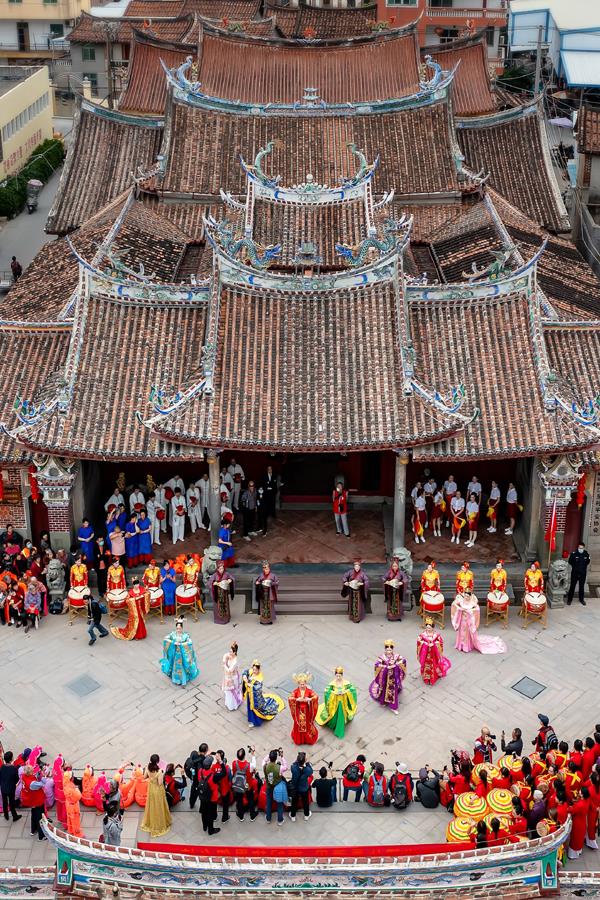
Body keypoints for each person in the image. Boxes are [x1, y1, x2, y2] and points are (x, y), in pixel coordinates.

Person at [451, 590, 506, 654]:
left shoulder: (472, 603)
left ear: (470, 596)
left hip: (468, 621)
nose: (466, 597)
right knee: (461, 633)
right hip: (462, 620)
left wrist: (470, 611)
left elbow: (477, 609)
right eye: (465, 596)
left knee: (467, 634)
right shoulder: (461, 601)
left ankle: (467, 646)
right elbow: (454, 604)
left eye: (468, 596)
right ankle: (460, 645)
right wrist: (459, 609)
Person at [316, 666, 357, 739]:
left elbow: (352, 689)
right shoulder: (332, 684)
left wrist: (345, 692)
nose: (338, 677)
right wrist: (334, 693)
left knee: (341, 714)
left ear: (342, 675)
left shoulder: (346, 683)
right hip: (334, 703)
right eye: (337, 676)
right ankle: (334, 724)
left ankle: (339, 730)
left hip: (343, 702)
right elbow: (327, 691)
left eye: (339, 676)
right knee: (334, 714)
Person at [241, 660, 284, 727]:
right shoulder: (251, 672)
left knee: (255, 708)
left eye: (255, 670)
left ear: (258, 670)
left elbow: (257, 688)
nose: (254, 671)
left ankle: (254, 721)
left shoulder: (259, 678)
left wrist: (250, 685)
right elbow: (246, 672)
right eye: (253, 669)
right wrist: (244, 676)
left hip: (255, 697)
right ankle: (250, 716)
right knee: (250, 706)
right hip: (250, 694)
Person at [368, 640, 406, 715]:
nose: (389, 652)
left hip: (393, 677)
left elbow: (403, 661)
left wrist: (396, 665)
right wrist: (386, 667)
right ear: (385, 650)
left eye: (390, 650)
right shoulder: (382, 658)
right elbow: (377, 665)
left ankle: (393, 707)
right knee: (384, 689)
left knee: (393, 692)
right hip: (385, 677)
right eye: (387, 650)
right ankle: (383, 701)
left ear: (392, 650)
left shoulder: (396, 656)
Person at [160, 616, 199, 686]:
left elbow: (190, 642)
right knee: (175, 666)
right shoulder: (173, 634)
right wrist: (173, 642)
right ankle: (176, 679)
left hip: (183, 654)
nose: (178, 630)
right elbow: (165, 639)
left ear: (182, 628)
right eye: (177, 628)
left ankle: (183, 681)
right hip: (175, 654)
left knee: (183, 667)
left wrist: (182, 644)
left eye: (179, 628)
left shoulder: (185, 636)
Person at [140, 755, 172, 838]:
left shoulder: (148, 767)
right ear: (158, 762)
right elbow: (160, 783)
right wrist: (163, 773)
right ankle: (159, 824)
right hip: (157, 790)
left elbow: (144, 777)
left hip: (151, 788)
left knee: (151, 805)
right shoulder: (159, 771)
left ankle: (150, 822)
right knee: (158, 806)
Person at [110, 577, 149, 641]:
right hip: (134, 610)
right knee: (136, 621)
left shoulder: (141, 589)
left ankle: (142, 634)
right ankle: (136, 635)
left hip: (139, 608)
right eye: (136, 584)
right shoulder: (130, 592)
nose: (137, 585)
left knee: (141, 620)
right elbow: (127, 600)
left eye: (138, 584)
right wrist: (135, 599)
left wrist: (143, 595)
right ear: (133, 585)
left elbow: (147, 593)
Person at [417, 618, 451, 685]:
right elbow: (419, 642)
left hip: (433, 654)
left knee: (434, 664)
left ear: (432, 628)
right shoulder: (423, 635)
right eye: (427, 628)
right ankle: (427, 678)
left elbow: (440, 643)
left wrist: (434, 644)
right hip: (426, 654)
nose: (428, 629)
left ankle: (432, 678)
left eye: (429, 628)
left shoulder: (436, 635)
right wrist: (425, 644)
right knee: (426, 665)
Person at [288, 672, 319, 745]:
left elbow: (316, 696)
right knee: (298, 724)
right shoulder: (296, 691)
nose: (302, 686)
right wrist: (296, 699)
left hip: (306, 710)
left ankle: (307, 739)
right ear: (298, 684)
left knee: (307, 724)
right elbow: (290, 698)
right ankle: (299, 739)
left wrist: (310, 699)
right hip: (298, 710)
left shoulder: (309, 691)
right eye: (301, 684)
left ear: (306, 683)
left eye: (303, 684)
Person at [20, 765, 46, 840]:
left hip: (30, 800)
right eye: (32, 771)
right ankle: (41, 836)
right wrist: (44, 776)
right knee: (39, 818)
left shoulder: (24, 776)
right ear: (30, 773)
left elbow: (34, 777)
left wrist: (38, 773)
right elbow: (43, 784)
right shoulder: (32, 784)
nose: (34, 772)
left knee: (33, 815)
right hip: (37, 801)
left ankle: (33, 830)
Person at [231, 747, 257, 821]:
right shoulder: (250, 765)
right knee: (250, 799)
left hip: (238, 785)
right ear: (245, 756)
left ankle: (241, 815)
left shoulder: (234, 763)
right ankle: (252, 815)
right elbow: (254, 765)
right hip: (247, 786)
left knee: (239, 800)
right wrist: (253, 754)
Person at [263, 749, 287, 826]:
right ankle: (280, 820)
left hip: (269, 786)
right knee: (279, 804)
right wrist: (282, 756)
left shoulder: (265, 766)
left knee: (269, 802)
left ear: (269, 758)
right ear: (276, 758)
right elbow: (286, 767)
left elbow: (264, 760)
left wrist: (270, 753)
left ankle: (268, 818)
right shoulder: (279, 767)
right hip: (278, 787)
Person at [341, 559, 369, 623]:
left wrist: (362, 583)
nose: (357, 568)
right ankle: (352, 616)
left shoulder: (362, 574)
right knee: (352, 603)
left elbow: (367, 580)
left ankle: (358, 617)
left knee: (358, 604)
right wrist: (345, 581)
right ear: (354, 567)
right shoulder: (350, 572)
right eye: (356, 566)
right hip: (352, 591)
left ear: (360, 567)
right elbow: (344, 576)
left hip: (359, 591)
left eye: (358, 566)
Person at [289, 752, 313, 821]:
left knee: (294, 802)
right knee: (305, 802)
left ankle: (293, 816)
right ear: (304, 760)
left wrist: (298, 760)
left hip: (295, 787)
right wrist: (307, 763)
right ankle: (306, 815)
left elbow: (294, 764)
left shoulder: (293, 767)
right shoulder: (307, 770)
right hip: (304, 788)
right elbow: (311, 771)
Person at [210, 560, 234, 624]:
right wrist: (214, 583)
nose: (221, 570)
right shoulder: (215, 575)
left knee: (225, 605)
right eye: (220, 569)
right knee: (218, 606)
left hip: (224, 593)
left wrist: (230, 580)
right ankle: (218, 619)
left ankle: (226, 618)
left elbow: (232, 578)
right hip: (217, 594)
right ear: (217, 569)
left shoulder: (226, 574)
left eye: (222, 568)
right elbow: (210, 582)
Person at [0, 751, 22, 823]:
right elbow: (17, 779)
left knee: (4, 802)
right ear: (11, 759)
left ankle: (6, 815)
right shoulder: (13, 768)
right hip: (11, 788)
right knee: (11, 803)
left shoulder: (2, 767)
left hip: (3, 788)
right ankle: (14, 816)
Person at [567, 542, 590, 606]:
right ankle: (569, 600)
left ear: (584, 548)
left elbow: (588, 562)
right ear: (578, 547)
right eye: (579, 548)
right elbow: (570, 561)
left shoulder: (586, 554)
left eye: (582, 548)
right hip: (575, 573)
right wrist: (575, 567)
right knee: (572, 586)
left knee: (581, 587)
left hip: (583, 573)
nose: (580, 549)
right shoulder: (573, 554)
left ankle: (581, 599)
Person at [221, 641, 242, 710]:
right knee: (228, 691)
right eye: (229, 651)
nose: (229, 653)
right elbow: (225, 655)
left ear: (234, 652)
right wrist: (224, 660)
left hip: (233, 678)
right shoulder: (230, 655)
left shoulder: (235, 661)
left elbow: (230, 670)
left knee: (232, 691)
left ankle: (233, 705)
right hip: (228, 677)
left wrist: (224, 665)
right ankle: (229, 703)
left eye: (231, 652)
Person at [64, 770, 84, 838]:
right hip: (73, 806)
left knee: (70, 819)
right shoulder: (71, 787)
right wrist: (77, 789)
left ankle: (71, 831)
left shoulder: (65, 784)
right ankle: (77, 834)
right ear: (71, 778)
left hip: (68, 804)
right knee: (75, 821)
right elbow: (79, 796)